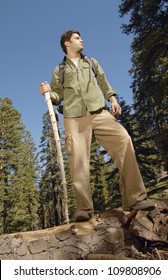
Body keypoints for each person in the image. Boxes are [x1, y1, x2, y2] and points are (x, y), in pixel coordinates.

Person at [39, 30, 155, 222]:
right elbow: (57, 95)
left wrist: (113, 99)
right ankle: (84, 209)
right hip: (74, 118)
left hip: (100, 111)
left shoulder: (91, 62)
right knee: (78, 161)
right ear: (67, 43)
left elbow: (103, 82)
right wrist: (48, 92)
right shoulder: (59, 69)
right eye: (77, 38)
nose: (82, 39)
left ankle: (136, 199)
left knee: (124, 141)